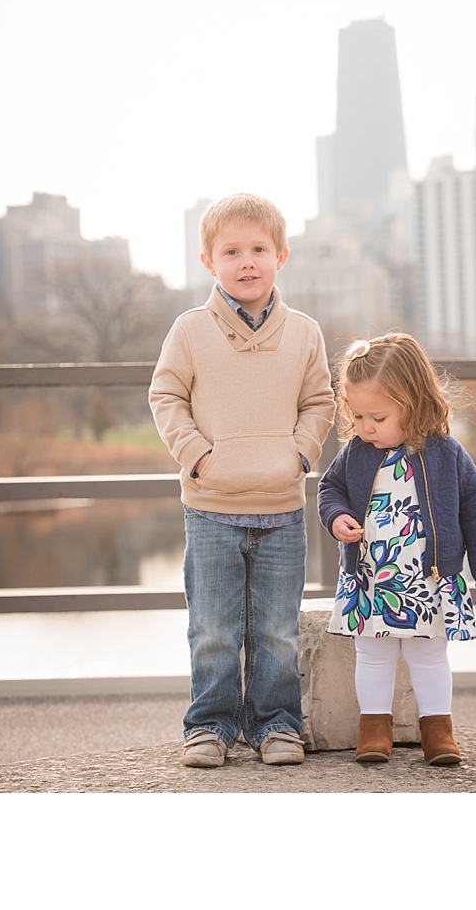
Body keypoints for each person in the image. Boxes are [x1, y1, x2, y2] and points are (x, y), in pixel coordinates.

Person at [149, 194, 334, 769]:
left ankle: (278, 725)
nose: (246, 261)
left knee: (277, 632)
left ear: (280, 255)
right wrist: (198, 456)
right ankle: (209, 727)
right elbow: (166, 396)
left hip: (281, 509)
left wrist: (299, 456)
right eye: (231, 251)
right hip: (209, 509)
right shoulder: (190, 330)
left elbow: (320, 402)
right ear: (209, 261)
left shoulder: (305, 333)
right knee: (212, 630)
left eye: (258, 249)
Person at [319, 332, 476, 768]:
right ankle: (374, 729)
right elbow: (329, 488)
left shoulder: (446, 454)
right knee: (372, 653)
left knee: (428, 655)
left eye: (378, 417)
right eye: (358, 415)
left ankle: (437, 731)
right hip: (371, 576)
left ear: (415, 403)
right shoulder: (356, 452)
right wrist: (335, 518)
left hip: (427, 579)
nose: (366, 427)